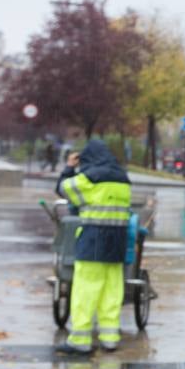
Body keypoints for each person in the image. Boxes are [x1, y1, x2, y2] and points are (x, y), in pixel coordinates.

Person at [55, 140, 132, 354]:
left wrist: (70, 167)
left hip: (93, 240)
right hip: (117, 242)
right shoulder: (123, 179)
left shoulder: (90, 178)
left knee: (85, 290)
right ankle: (110, 337)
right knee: (112, 290)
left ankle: (80, 339)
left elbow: (63, 189)